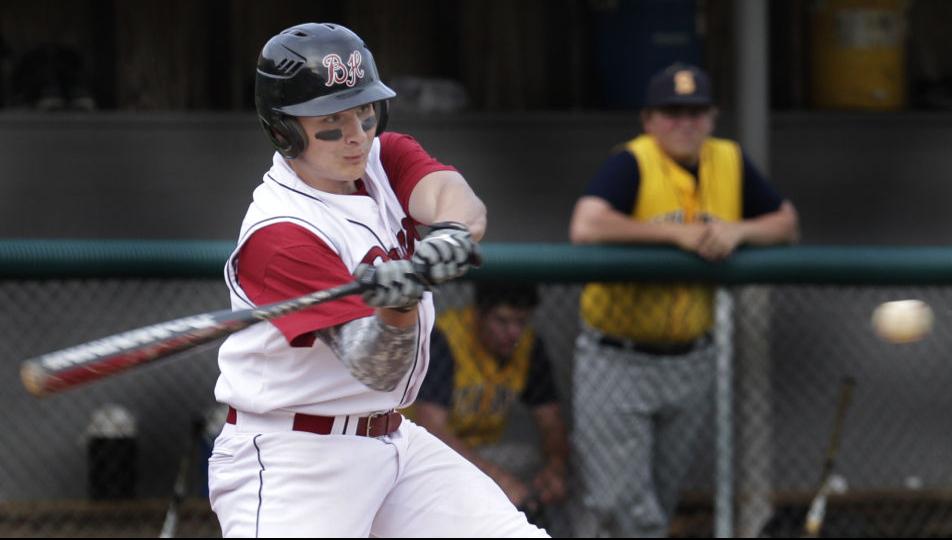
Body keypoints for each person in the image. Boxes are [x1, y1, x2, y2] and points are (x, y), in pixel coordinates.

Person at [207, 23, 547, 538]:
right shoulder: (280, 233)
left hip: (392, 440)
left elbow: (455, 196)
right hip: (295, 458)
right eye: (332, 122)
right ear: (284, 130)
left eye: (365, 113)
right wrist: (401, 304)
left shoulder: (382, 157)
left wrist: (450, 235)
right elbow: (378, 364)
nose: (356, 135)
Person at [568, 63, 800, 537]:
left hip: (691, 359)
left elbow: (787, 224)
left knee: (659, 498)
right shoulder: (632, 161)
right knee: (621, 504)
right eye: (672, 113)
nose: (685, 123)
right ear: (649, 120)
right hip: (618, 356)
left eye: (695, 112)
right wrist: (675, 235)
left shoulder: (729, 160)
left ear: (712, 118)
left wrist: (739, 230)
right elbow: (586, 226)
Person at [411, 282, 569, 527]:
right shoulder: (446, 337)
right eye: (503, 321)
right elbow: (432, 430)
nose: (513, 333)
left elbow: (551, 422)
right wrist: (497, 479)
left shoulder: (528, 345)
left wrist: (555, 468)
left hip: (483, 452)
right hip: (425, 457)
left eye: (521, 321)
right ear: (479, 315)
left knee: (561, 472)